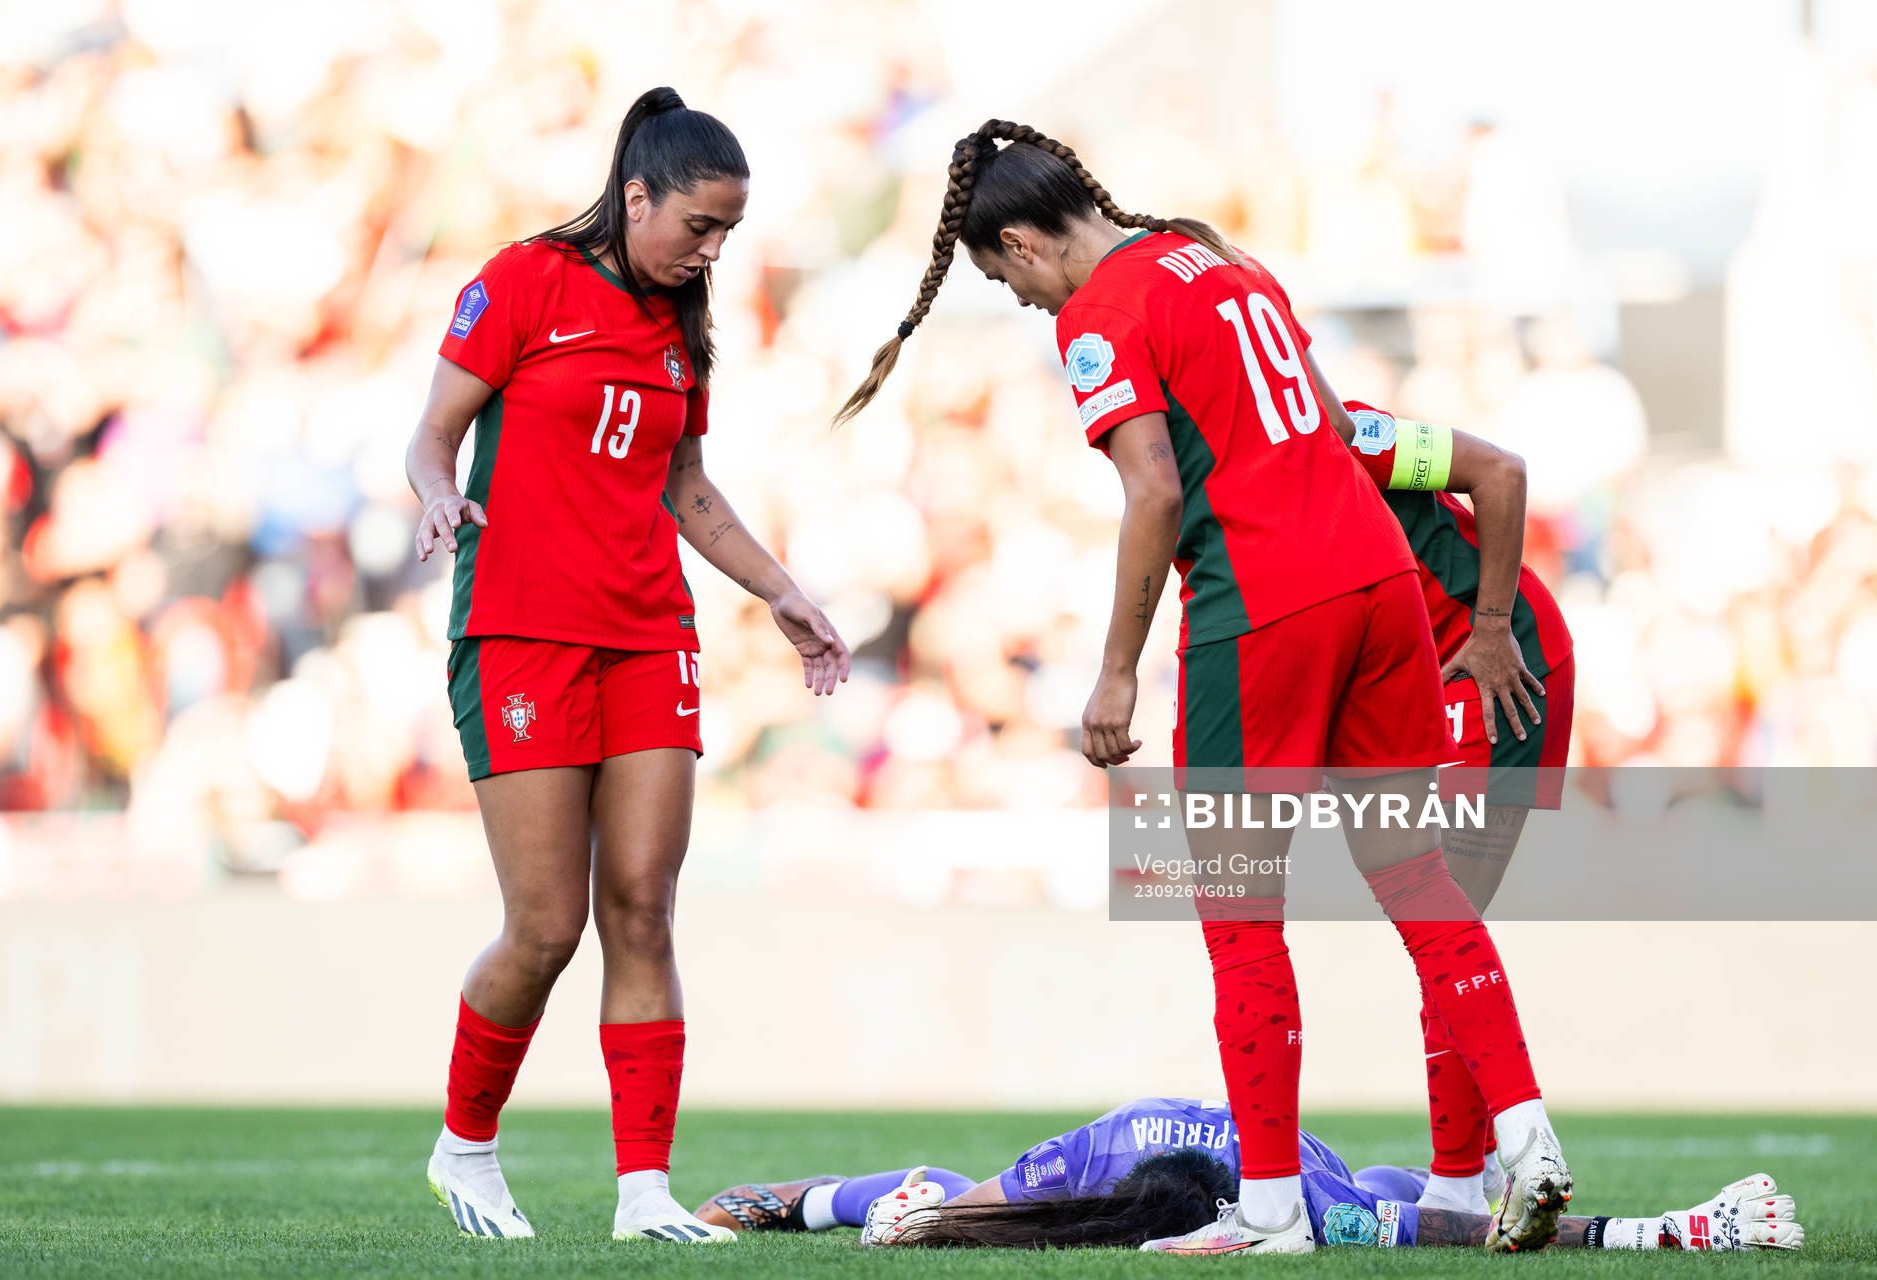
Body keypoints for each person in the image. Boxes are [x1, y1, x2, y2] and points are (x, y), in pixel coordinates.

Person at [835, 120, 1568, 1254]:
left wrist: (1116, 669)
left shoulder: (1098, 314)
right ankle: (1527, 1137)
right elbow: (1329, 422)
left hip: (1264, 602)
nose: (1026, 305)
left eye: (1006, 282)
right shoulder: (1224, 261)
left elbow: (1155, 491)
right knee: (1416, 878)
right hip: (1381, 583)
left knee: (1239, 916)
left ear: (1023, 244)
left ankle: (1270, 1209)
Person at [404, 86, 850, 1244]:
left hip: (650, 632)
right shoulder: (521, 281)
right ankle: (466, 1147)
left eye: (728, 233)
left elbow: (685, 484)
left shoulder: (683, 320)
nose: (712, 249)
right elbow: (431, 434)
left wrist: (784, 592)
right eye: (699, 225)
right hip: (520, 631)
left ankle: (644, 1191)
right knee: (545, 924)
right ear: (637, 196)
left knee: (643, 907)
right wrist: (441, 494)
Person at [1337, 400, 1576, 1213]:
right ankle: (1462, 1178)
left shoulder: (1348, 435)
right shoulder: (1241, 471)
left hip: (1498, 667)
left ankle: (1458, 1182)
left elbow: (1501, 473)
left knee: (1444, 913)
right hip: (1421, 684)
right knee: (1440, 920)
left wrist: (1493, 624)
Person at [689, 1097, 1802, 1254]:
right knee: (1395, 1194)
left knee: (1396, 1193)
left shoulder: (1074, 1161)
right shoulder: (1083, 1160)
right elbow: (1489, 1233)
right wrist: (1652, 1229)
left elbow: (1483, 1232)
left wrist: (1655, 1231)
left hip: (1316, 1163)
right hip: (1296, 1155)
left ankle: (778, 1196)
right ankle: (782, 1198)